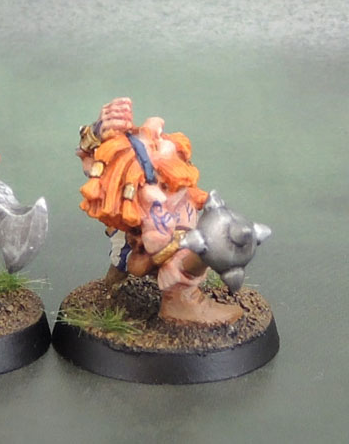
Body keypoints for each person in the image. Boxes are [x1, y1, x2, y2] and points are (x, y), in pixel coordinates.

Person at [77, 98, 242, 325]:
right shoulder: (143, 182)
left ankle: (115, 285)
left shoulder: (168, 168)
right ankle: (180, 303)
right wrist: (98, 130)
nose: (158, 137)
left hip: (154, 222)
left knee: (128, 253)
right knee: (169, 258)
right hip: (148, 228)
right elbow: (93, 156)